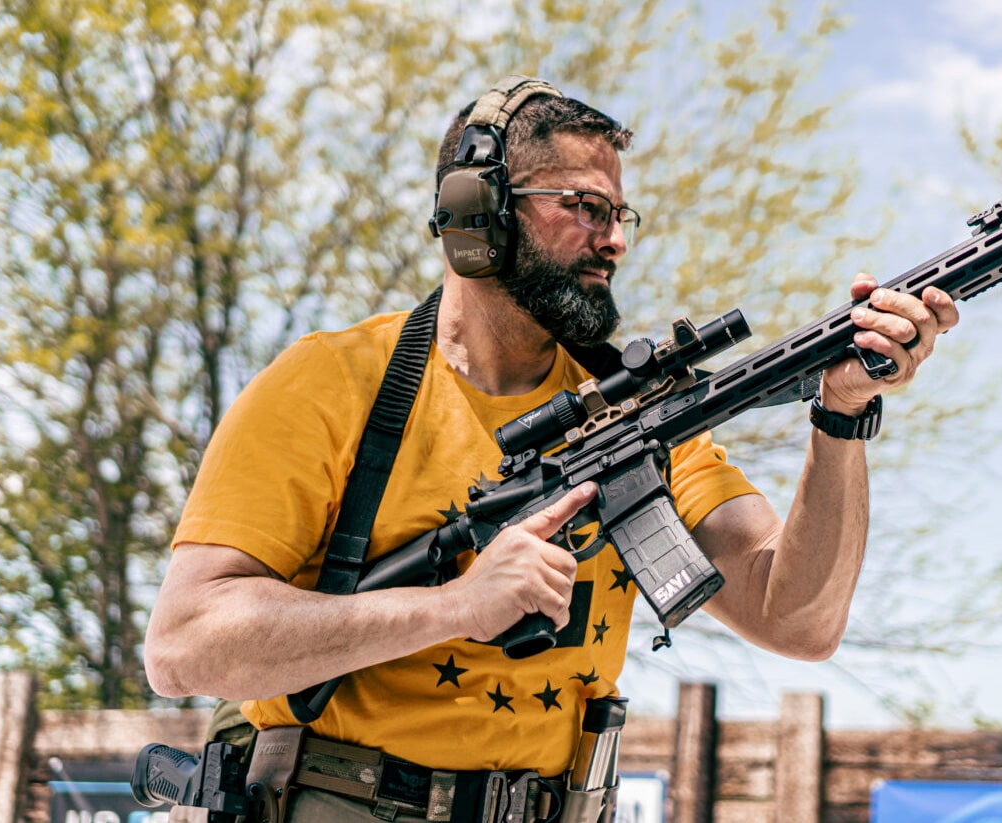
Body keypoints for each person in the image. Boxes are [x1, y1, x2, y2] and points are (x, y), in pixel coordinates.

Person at [143, 76, 958, 821]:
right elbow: (184, 645)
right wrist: (456, 606)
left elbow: (797, 618)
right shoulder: (332, 382)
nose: (614, 241)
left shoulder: (636, 418)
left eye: (619, 216)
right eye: (584, 207)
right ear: (476, 213)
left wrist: (842, 413)